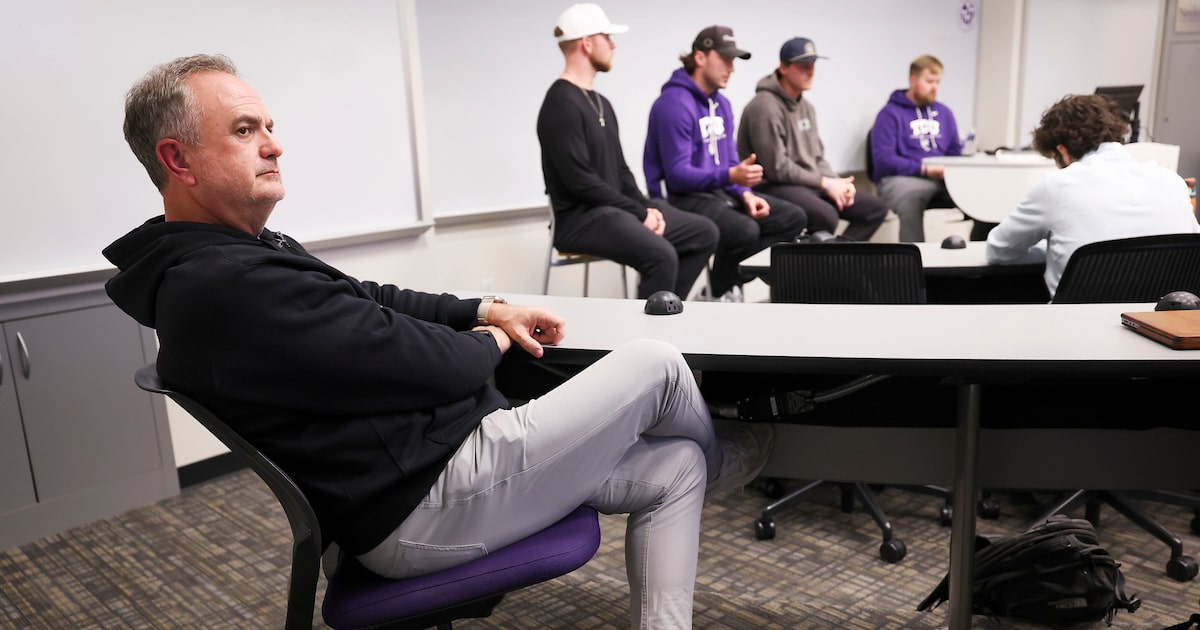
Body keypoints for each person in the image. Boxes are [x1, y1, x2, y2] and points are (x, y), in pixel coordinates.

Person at [103, 53, 774, 629]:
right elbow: (440, 368)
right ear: (177, 160)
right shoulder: (227, 284)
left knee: (673, 467)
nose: (274, 144)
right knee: (655, 364)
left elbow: (373, 302)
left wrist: (486, 307)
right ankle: (725, 463)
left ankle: (698, 486)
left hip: (437, 468)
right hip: (423, 503)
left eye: (270, 128)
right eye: (246, 130)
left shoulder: (239, 258)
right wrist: (493, 340)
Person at [538, 4, 719, 300]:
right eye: (607, 38)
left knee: (703, 232)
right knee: (661, 255)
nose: (613, 45)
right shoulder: (560, 104)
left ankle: (667, 309)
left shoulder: (601, 103)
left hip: (614, 212)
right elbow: (580, 182)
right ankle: (644, 334)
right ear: (587, 43)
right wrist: (638, 212)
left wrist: (647, 209)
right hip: (579, 220)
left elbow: (621, 172)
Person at [644, 26, 807, 302]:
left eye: (734, 61)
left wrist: (744, 193)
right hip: (679, 199)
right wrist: (732, 175)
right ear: (700, 57)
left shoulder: (723, 105)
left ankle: (724, 285)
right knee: (745, 230)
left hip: (717, 192)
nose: (731, 68)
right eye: (725, 59)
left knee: (793, 218)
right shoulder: (672, 105)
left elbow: (730, 160)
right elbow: (677, 176)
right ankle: (720, 293)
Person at [986, 94, 1200, 297]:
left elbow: (999, 250)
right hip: (1157, 326)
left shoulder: (1057, 185)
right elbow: (1191, 247)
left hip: (1075, 328)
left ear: (1062, 151)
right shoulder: (1172, 181)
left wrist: (1052, 251)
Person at [737, 37, 888, 243]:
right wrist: (825, 183)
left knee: (874, 209)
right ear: (783, 67)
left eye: (813, 64)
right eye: (802, 66)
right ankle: (815, 268)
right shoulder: (765, 107)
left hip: (807, 183)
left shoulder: (807, 106)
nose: (811, 71)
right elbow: (777, 168)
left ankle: (836, 263)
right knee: (825, 215)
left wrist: (837, 183)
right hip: (773, 185)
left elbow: (817, 157)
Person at [869, 55, 965, 242]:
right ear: (913, 80)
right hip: (901, 178)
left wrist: (953, 170)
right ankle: (916, 262)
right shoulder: (889, 114)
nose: (934, 87)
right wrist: (926, 170)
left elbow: (954, 152)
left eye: (938, 82)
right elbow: (883, 160)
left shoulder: (944, 113)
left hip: (941, 178)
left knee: (981, 192)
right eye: (929, 81)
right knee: (911, 198)